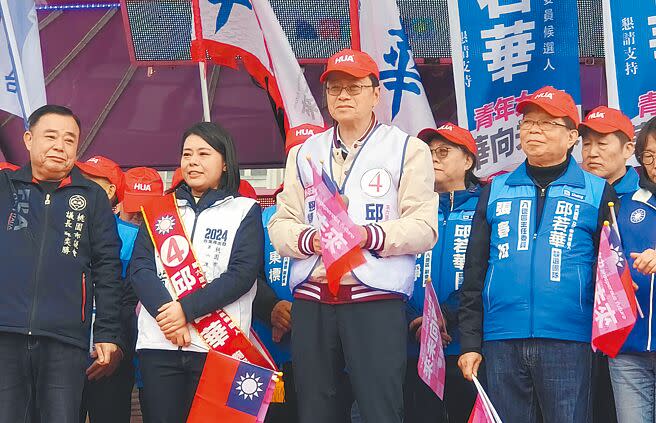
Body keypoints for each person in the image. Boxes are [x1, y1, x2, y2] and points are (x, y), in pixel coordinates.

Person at [269, 49, 438, 423]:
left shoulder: (407, 149)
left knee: (380, 408)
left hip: (373, 297)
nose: (343, 96)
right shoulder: (304, 153)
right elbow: (280, 223)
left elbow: (424, 228)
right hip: (312, 299)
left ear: (376, 93)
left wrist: (363, 234)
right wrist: (311, 240)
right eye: (334, 88)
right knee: (315, 408)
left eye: (354, 87)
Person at [458, 86, 618, 423]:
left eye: (547, 124)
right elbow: (474, 271)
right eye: (528, 123)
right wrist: (471, 342)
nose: (534, 130)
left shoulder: (597, 191)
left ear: (572, 136)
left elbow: (610, 274)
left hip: (569, 339)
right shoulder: (496, 190)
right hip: (501, 339)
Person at [130, 122, 264, 423]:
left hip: (218, 346)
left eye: (204, 153)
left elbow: (242, 274)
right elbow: (140, 269)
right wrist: (170, 318)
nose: (193, 161)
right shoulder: (157, 210)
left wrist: (185, 311)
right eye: (187, 153)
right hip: (160, 342)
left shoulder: (245, 210)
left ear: (225, 161)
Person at [0, 104, 123, 422]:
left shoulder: (92, 197)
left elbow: (107, 268)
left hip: (65, 340)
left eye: (69, 140)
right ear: (28, 139)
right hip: (5, 334)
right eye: (50, 136)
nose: (60, 146)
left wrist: (107, 333)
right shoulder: (5, 187)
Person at [405, 123, 480, 423]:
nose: (433, 158)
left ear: (468, 161)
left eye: (443, 152)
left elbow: (487, 273)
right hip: (415, 345)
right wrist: (416, 320)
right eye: (428, 152)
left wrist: (444, 314)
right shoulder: (410, 209)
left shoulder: (486, 206)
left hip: (467, 346)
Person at [252, 124, 327, 423]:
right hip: (269, 351)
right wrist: (272, 308)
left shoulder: (345, 212)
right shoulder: (259, 217)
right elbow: (245, 275)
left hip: (323, 345)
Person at [77, 155, 140, 423]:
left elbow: (131, 300)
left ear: (111, 190)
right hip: (65, 352)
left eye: (90, 180)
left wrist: (120, 347)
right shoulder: (65, 228)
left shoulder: (135, 236)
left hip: (111, 352)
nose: (81, 185)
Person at [610, 116, 656, 423]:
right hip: (630, 346)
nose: (655, 163)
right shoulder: (625, 205)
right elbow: (605, 260)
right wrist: (616, 281)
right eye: (650, 156)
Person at [581, 106, 639, 197]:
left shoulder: (645, 197)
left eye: (602, 144)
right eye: (587, 144)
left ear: (628, 149)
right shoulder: (569, 193)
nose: (592, 153)